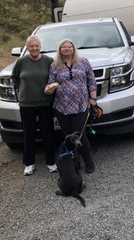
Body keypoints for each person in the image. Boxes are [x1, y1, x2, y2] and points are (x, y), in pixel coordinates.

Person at [45, 39, 97, 173]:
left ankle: (89, 162)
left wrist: (93, 98)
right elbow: (50, 83)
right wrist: (49, 89)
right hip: (62, 107)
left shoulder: (83, 62)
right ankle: (74, 163)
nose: (67, 49)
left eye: (69, 46)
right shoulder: (55, 65)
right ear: (60, 50)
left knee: (80, 135)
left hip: (81, 105)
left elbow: (91, 80)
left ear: (74, 49)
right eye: (64, 47)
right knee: (68, 136)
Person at [12, 35, 57, 176]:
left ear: (40, 47)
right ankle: (29, 164)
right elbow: (15, 78)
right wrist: (22, 92)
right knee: (29, 133)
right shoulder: (21, 62)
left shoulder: (49, 61)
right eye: (31, 46)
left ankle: (51, 162)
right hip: (27, 104)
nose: (34, 48)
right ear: (27, 47)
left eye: (36, 46)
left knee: (47, 133)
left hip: (45, 102)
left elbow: (55, 77)